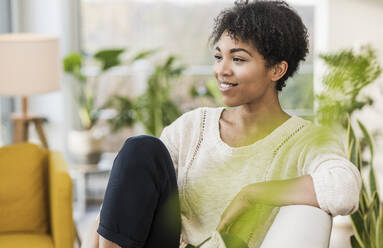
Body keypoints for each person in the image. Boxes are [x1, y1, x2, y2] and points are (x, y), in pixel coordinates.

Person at [83, 1, 362, 247]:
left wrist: (253, 194)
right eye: (219, 56)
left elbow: (344, 190)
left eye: (238, 59)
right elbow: (133, 193)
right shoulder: (192, 128)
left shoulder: (304, 140)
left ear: (277, 69)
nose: (222, 70)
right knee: (140, 148)